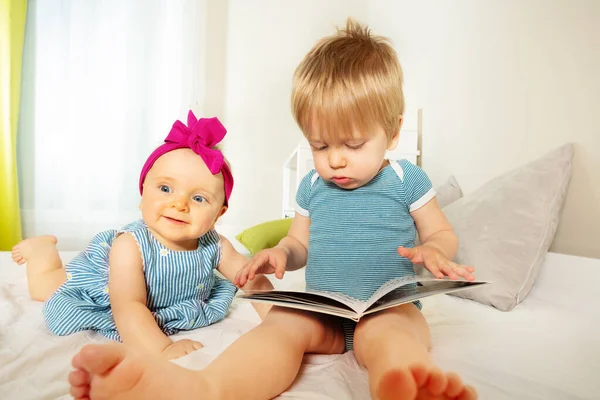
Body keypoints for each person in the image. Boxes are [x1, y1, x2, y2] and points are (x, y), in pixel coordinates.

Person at [67, 19, 477, 400]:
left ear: (393, 131)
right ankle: (208, 387)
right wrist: (280, 254)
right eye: (320, 145)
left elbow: (441, 233)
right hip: (327, 310)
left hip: (387, 309)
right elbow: (299, 244)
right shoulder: (313, 186)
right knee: (281, 325)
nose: (335, 160)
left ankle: (404, 384)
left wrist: (435, 250)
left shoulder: (407, 180)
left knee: (392, 338)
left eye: (352, 145)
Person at [12, 111, 272, 360]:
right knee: (43, 286)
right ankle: (41, 250)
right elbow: (129, 305)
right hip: (105, 286)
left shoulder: (217, 245)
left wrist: (281, 320)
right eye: (166, 188)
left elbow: (253, 282)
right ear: (142, 194)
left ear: (218, 214)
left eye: (198, 197)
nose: (179, 204)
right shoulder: (129, 245)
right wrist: (160, 349)